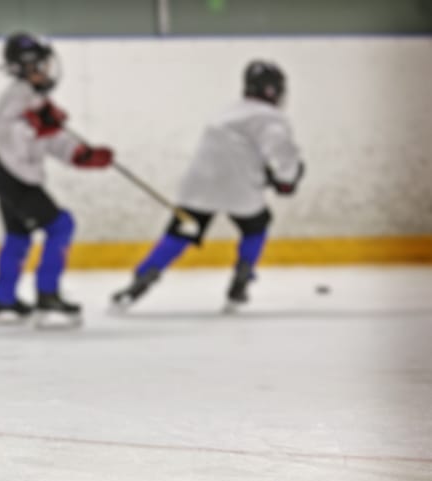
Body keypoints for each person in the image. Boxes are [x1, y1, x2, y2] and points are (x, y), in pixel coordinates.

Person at [111, 60, 304, 311]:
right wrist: (287, 180)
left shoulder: (226, 112)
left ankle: (139, 283)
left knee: (181, 232)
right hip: (241, 189)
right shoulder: (271, 118)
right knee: (257, 225)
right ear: (273, 91)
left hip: (198, 186)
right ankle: (240, 283)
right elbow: (282, 155)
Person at [0, 32, 114, 327]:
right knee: (61, 225)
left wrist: (81, 155)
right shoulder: (15, 97)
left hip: (11, 175)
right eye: (40, 65)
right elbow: (7, 135)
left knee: (18, 237)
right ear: (25, 66)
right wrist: (34, 126)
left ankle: (3, 301)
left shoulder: (34, 97)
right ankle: (48, 296)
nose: (46, 70)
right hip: (14, 177)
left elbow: (52, 140)